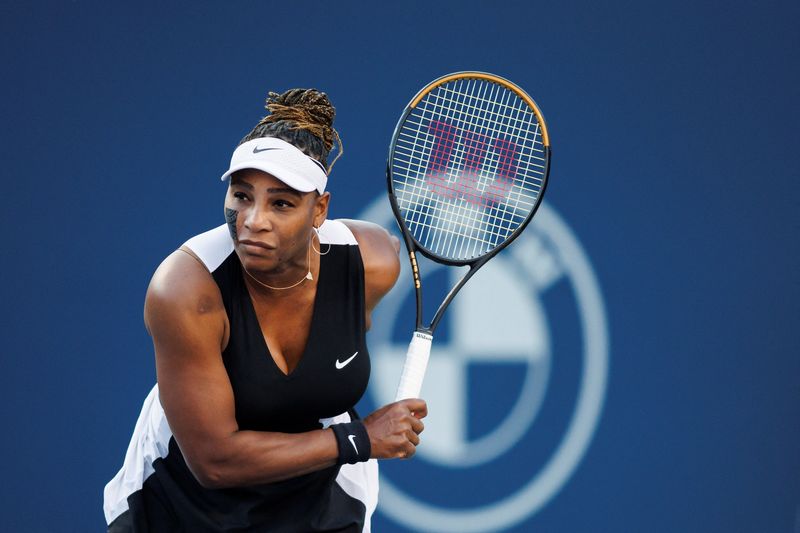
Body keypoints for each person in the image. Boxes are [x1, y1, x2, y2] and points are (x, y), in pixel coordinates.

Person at [104, 88, 427, 532]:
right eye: (241, 195)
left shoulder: (371, 264)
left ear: (320, 210)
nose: (254, 219)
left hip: (319, 497)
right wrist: (359, 439)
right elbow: (214, 462)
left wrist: (346, 441)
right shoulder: (185, 290)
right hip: (180, 503)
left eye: (281, 202)